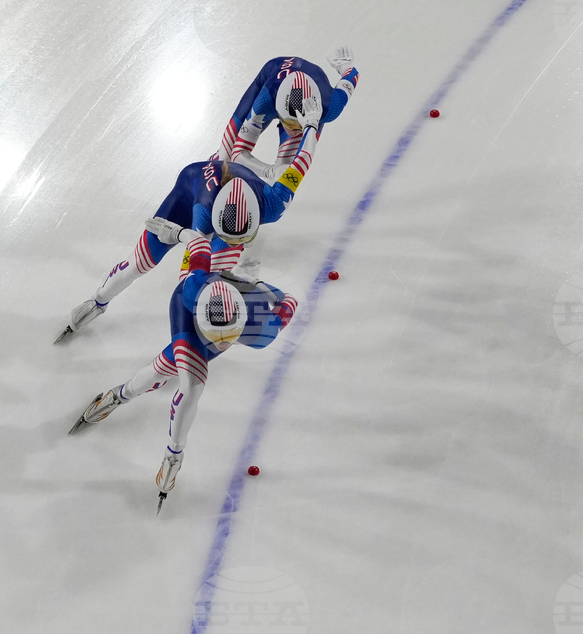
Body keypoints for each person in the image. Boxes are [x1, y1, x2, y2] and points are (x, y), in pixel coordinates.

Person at [53, 96, 320, 343]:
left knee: (216, 269)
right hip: (188, 192)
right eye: (228, 236)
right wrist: (179, 237)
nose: (229, 241)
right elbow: (191, 266)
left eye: (239, 238)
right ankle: (98, 301)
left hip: (219, 197)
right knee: (141, 263)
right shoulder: (204, 214)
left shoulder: (275, 202)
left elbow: (303, 162)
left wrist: (311, 125)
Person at [67, 232, 298, 512]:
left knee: (165, 367)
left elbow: (290, 302)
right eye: (219, 335)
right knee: (192, 386)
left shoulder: (259, 330)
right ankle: (173, 454)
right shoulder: (194, 288)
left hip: (222, 306)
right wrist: (177, 232)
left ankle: (119, 396)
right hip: (186, 313)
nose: (221, 341)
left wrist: (263, 288)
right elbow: (198, 242)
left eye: (227, 337)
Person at [213, 48, 359, 184]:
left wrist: (343, 66)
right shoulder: (265, 101)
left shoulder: (329, 107)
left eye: (300, 125)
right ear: (277, 112)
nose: (295, 131)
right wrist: (269, 171)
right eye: (290, 124)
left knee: (284, 174)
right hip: (273, 71)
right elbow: (237, 153)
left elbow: (352, 74)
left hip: (310, 100)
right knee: (225, 155)